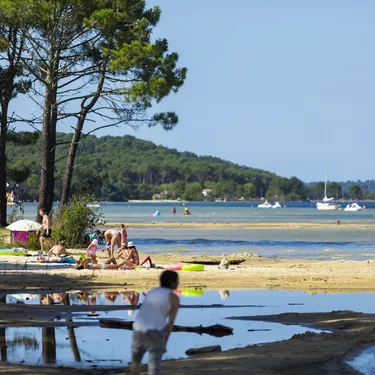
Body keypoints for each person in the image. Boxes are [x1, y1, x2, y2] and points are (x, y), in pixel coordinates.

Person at [130, 270, 180, 375]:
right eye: (177, 281)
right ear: (171, 283)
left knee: (135, 362)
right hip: (155, 331)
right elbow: (170, 323)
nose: (178, 283)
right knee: (154, 365)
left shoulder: (152, 291)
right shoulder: (173, 297)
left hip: (138, 328)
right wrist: (165, 341)